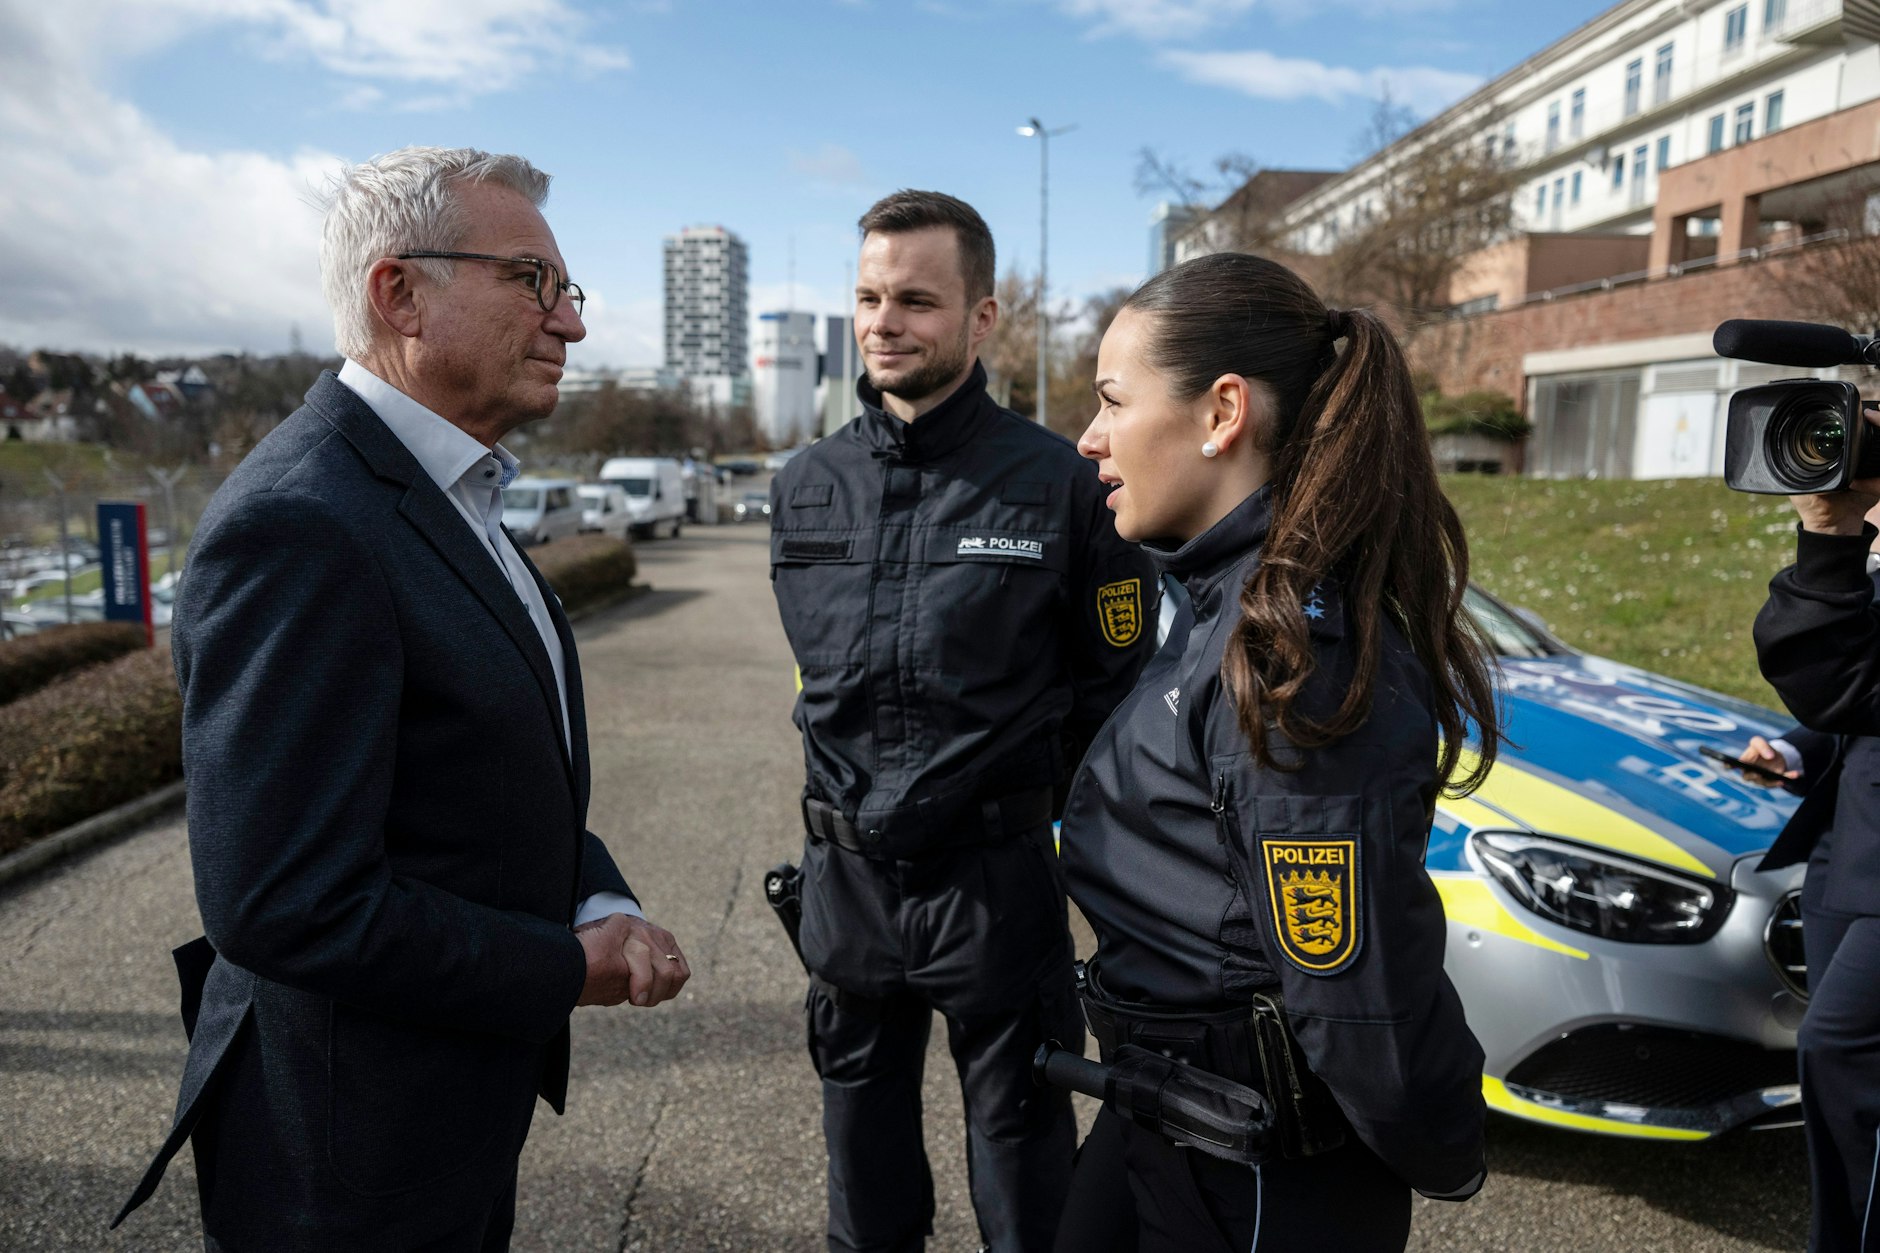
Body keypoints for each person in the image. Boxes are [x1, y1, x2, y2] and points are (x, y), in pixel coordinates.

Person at [111, 146, 690, 1250]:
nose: (569, 323)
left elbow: (475, 777)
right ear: (399, 292)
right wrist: (569, 965)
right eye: (534, 282)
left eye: (568, 291)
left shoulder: (446, 487)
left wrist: (593, 894)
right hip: (345, 1158)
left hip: (445, 1110)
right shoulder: (303, 522)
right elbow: (285, 899)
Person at [1054, 252, 1498, 1252]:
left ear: (1221, 413)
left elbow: (1353, 997)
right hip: (1162, 1123)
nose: (1088, 438)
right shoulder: (1213, 602)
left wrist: (1444, 1147)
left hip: (1254, 1172)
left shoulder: (1290, 662)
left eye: (1112, 401)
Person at [768, 189, 1156, 1252]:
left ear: (982, 319)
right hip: (845, 890)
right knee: (863, 1185)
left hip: (993, 889)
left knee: (1026, 1188)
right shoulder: (802, 486)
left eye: (916, 300)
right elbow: (820, 693)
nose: (884, 321)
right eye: (867, 296)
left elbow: (1109, 700)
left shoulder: (1057, 485)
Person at [1751, 459, 1880, 1253]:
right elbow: (1855, 692)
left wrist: (1835, 534)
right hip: (1846, 846)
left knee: (1837, 1053)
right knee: (1837, 1073)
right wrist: (1798, 752)